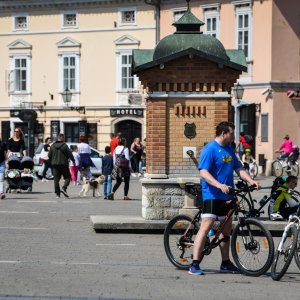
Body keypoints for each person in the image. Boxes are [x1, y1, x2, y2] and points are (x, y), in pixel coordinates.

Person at [189, 121, 260, 275]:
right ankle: (194, 264)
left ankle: (225, 262)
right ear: (223, 133)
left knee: (226, 229)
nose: (233, 137)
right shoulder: (210, 149)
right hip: (212, 194)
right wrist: (219, 185)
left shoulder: (229, 150)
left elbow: (239, 168)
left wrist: (251, 180)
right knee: (206, 226)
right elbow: (203, 173)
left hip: (227, 195)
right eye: (231, 133)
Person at [48, 134, 75, 198]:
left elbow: (49, 156)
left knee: (56, 179)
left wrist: (52, 161)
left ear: (57, 138)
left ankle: (57, 194)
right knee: (68, 177)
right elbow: (70, 154)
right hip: (63, 164)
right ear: (62, 138)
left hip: (55, 164)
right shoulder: (65, 146)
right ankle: (64, 187)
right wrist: (73, 160)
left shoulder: (52, 146)